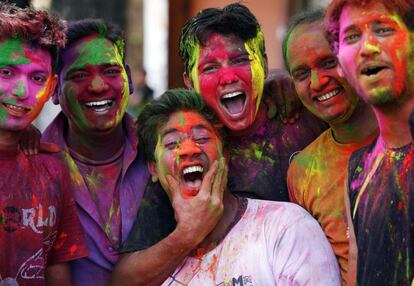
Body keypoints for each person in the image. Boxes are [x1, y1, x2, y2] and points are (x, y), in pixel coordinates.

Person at [129, 2, 328, 254]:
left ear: (264, 66)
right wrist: (186, 236)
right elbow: (128, 273)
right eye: (210, 68)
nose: (229, 77)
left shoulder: (303, 111)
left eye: (240, 60)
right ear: (190, 83)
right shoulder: (184, 151)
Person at [110, 88, 341, 285]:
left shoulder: (286, 228)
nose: (189, 150)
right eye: (172, 143)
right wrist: (188, 233)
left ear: (226, 155)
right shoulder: (152, 267)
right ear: (153, 169)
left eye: (201, 138)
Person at [42, 19, 149, 285]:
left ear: (129, 79)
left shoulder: (163, 150)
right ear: (54, 89)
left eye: (111, 71)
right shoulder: (33, 168)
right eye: (79, 75)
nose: (99, 86)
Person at [282, 9, 378, 285]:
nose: (317, 82)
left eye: (328, 62)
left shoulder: (405, 138)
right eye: (302, 73)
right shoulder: (302, 172)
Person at [326, 0, 414, 285]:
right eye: (352, 36)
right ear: (340, 64)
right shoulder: (358, 169)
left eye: (383, 29)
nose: (368, 47)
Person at [0, 3, 88, 285]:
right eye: (6, 72)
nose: (22, 91)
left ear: (50, 88)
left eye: (36, 78)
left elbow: (55, 268)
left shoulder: (51, 168)